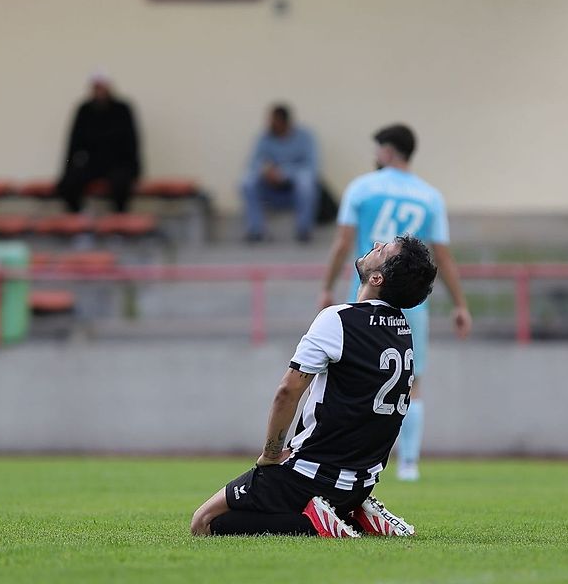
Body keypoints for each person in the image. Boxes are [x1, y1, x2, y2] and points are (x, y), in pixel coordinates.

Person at [191, 235, 437, 538]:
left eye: (382, 249)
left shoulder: (338, 319)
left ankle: (320, 524)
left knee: (204, 522)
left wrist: (270, 454)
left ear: (377, 277)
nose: (375, 243)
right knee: (247, 517)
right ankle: (354, 514)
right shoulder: (403, 329)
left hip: (308, 475)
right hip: (360, 483)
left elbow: (288, 392)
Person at [319, 124, 472, 482]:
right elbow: (443, 258)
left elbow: (343, 243)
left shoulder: (361, 187)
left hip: (368, 290)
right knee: (411, 378)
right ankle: (408, 464)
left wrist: (326, 286)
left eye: (377, 150)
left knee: (348, 375)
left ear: (387, 151)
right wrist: (460, 304)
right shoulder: (430, 196)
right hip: (410, 300)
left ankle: (347, 455)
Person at [56, 72, 141, 213]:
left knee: (121, 183)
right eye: (97, 87)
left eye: (102, 87)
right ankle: (76, 220)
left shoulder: (122, 110)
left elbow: (132, 142)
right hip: (92, 163)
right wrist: (67, 169)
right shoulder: (84, 110)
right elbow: (73, 143)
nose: (100, 91)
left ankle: (119, 222)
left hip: (118, 164)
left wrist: (136, 169)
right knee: (69, 183)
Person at [240, 104, 319, 243]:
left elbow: (311, 167)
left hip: (294, 190)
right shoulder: (264, 138)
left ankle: (303, 230)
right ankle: (256, 230)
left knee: (306, 180)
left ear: (285, 122)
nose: (270, 124)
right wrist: (265, 171)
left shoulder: (305, 137)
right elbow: (254, 163)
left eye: (274, 121)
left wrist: (284, 173)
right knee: (247, 182)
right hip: (270, 189)